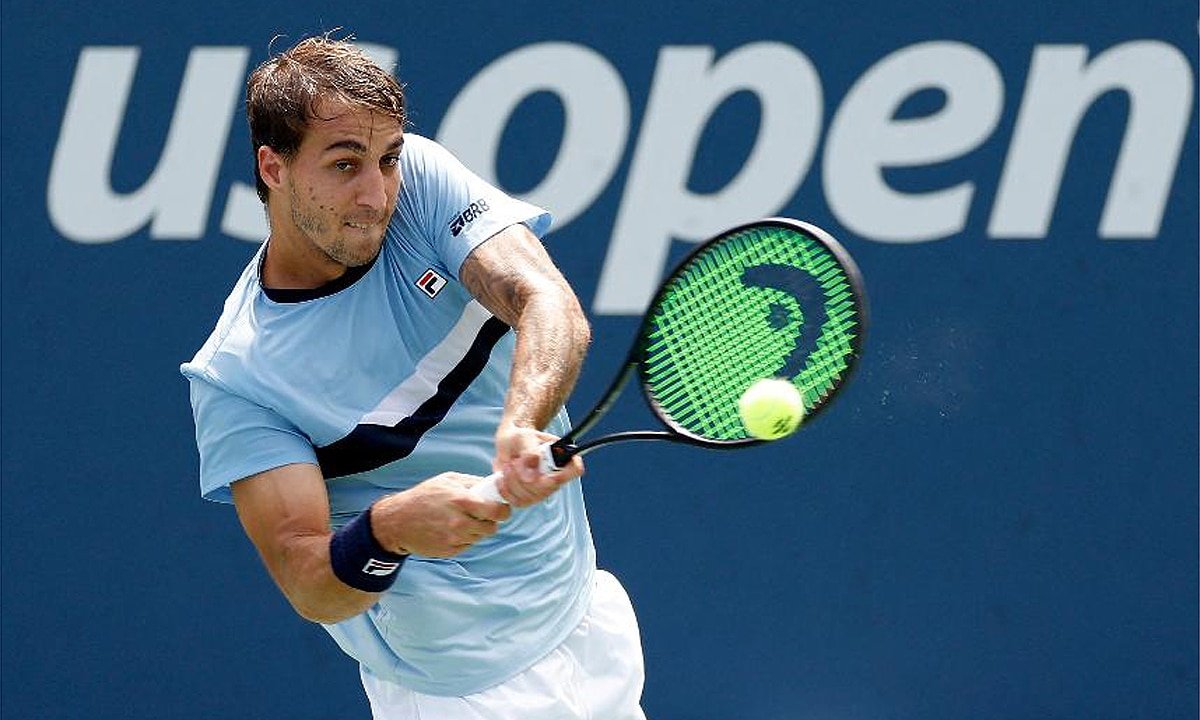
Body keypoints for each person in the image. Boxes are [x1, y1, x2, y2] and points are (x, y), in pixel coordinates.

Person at [180, 35, 646, 720]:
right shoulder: (238, 377)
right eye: (344, 165)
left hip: (580, 609)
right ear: (272, 168)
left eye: (388, 158)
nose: (376, 193)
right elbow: (307, 580)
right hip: (460, 686)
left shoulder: (419, 183)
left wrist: (520, 425)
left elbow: (545, 301)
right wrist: (389, 528)